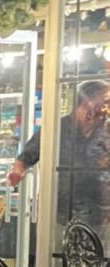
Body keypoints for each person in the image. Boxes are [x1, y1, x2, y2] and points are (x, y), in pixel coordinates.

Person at [8, 76, 110, 231]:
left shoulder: (105, 132)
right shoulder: (56, 129)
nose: (106, 109)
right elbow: (27, 156)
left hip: (102, 219)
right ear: (85, 102)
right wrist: (17, 171)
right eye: (103, 102)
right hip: (62, 219)